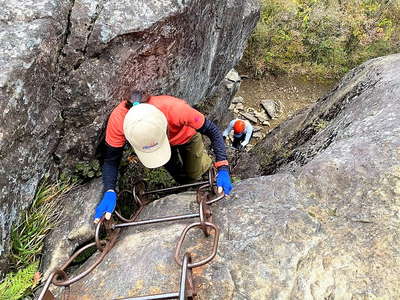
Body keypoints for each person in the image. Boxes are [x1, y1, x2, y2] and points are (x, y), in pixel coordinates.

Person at [94, 92, 233, 223]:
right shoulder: (118, 121)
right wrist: (110, 190)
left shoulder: (175, 109)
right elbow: (111, 160)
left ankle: (204, 164)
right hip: (160, 146)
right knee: (178, 174)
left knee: (194, 173)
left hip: (187, 136)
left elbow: (213, 131)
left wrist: (223, 166)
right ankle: (185, 182)